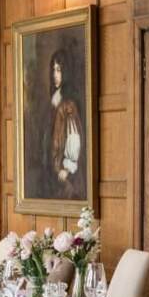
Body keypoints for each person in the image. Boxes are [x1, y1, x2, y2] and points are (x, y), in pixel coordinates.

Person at [47, 48, 86, 200]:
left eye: (59, 70)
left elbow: (74, 137)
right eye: (54, 70)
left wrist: (67, 168)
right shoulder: (56, 102)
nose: (55, 75)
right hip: (55, 173)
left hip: (66, 177)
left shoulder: (67, 105)